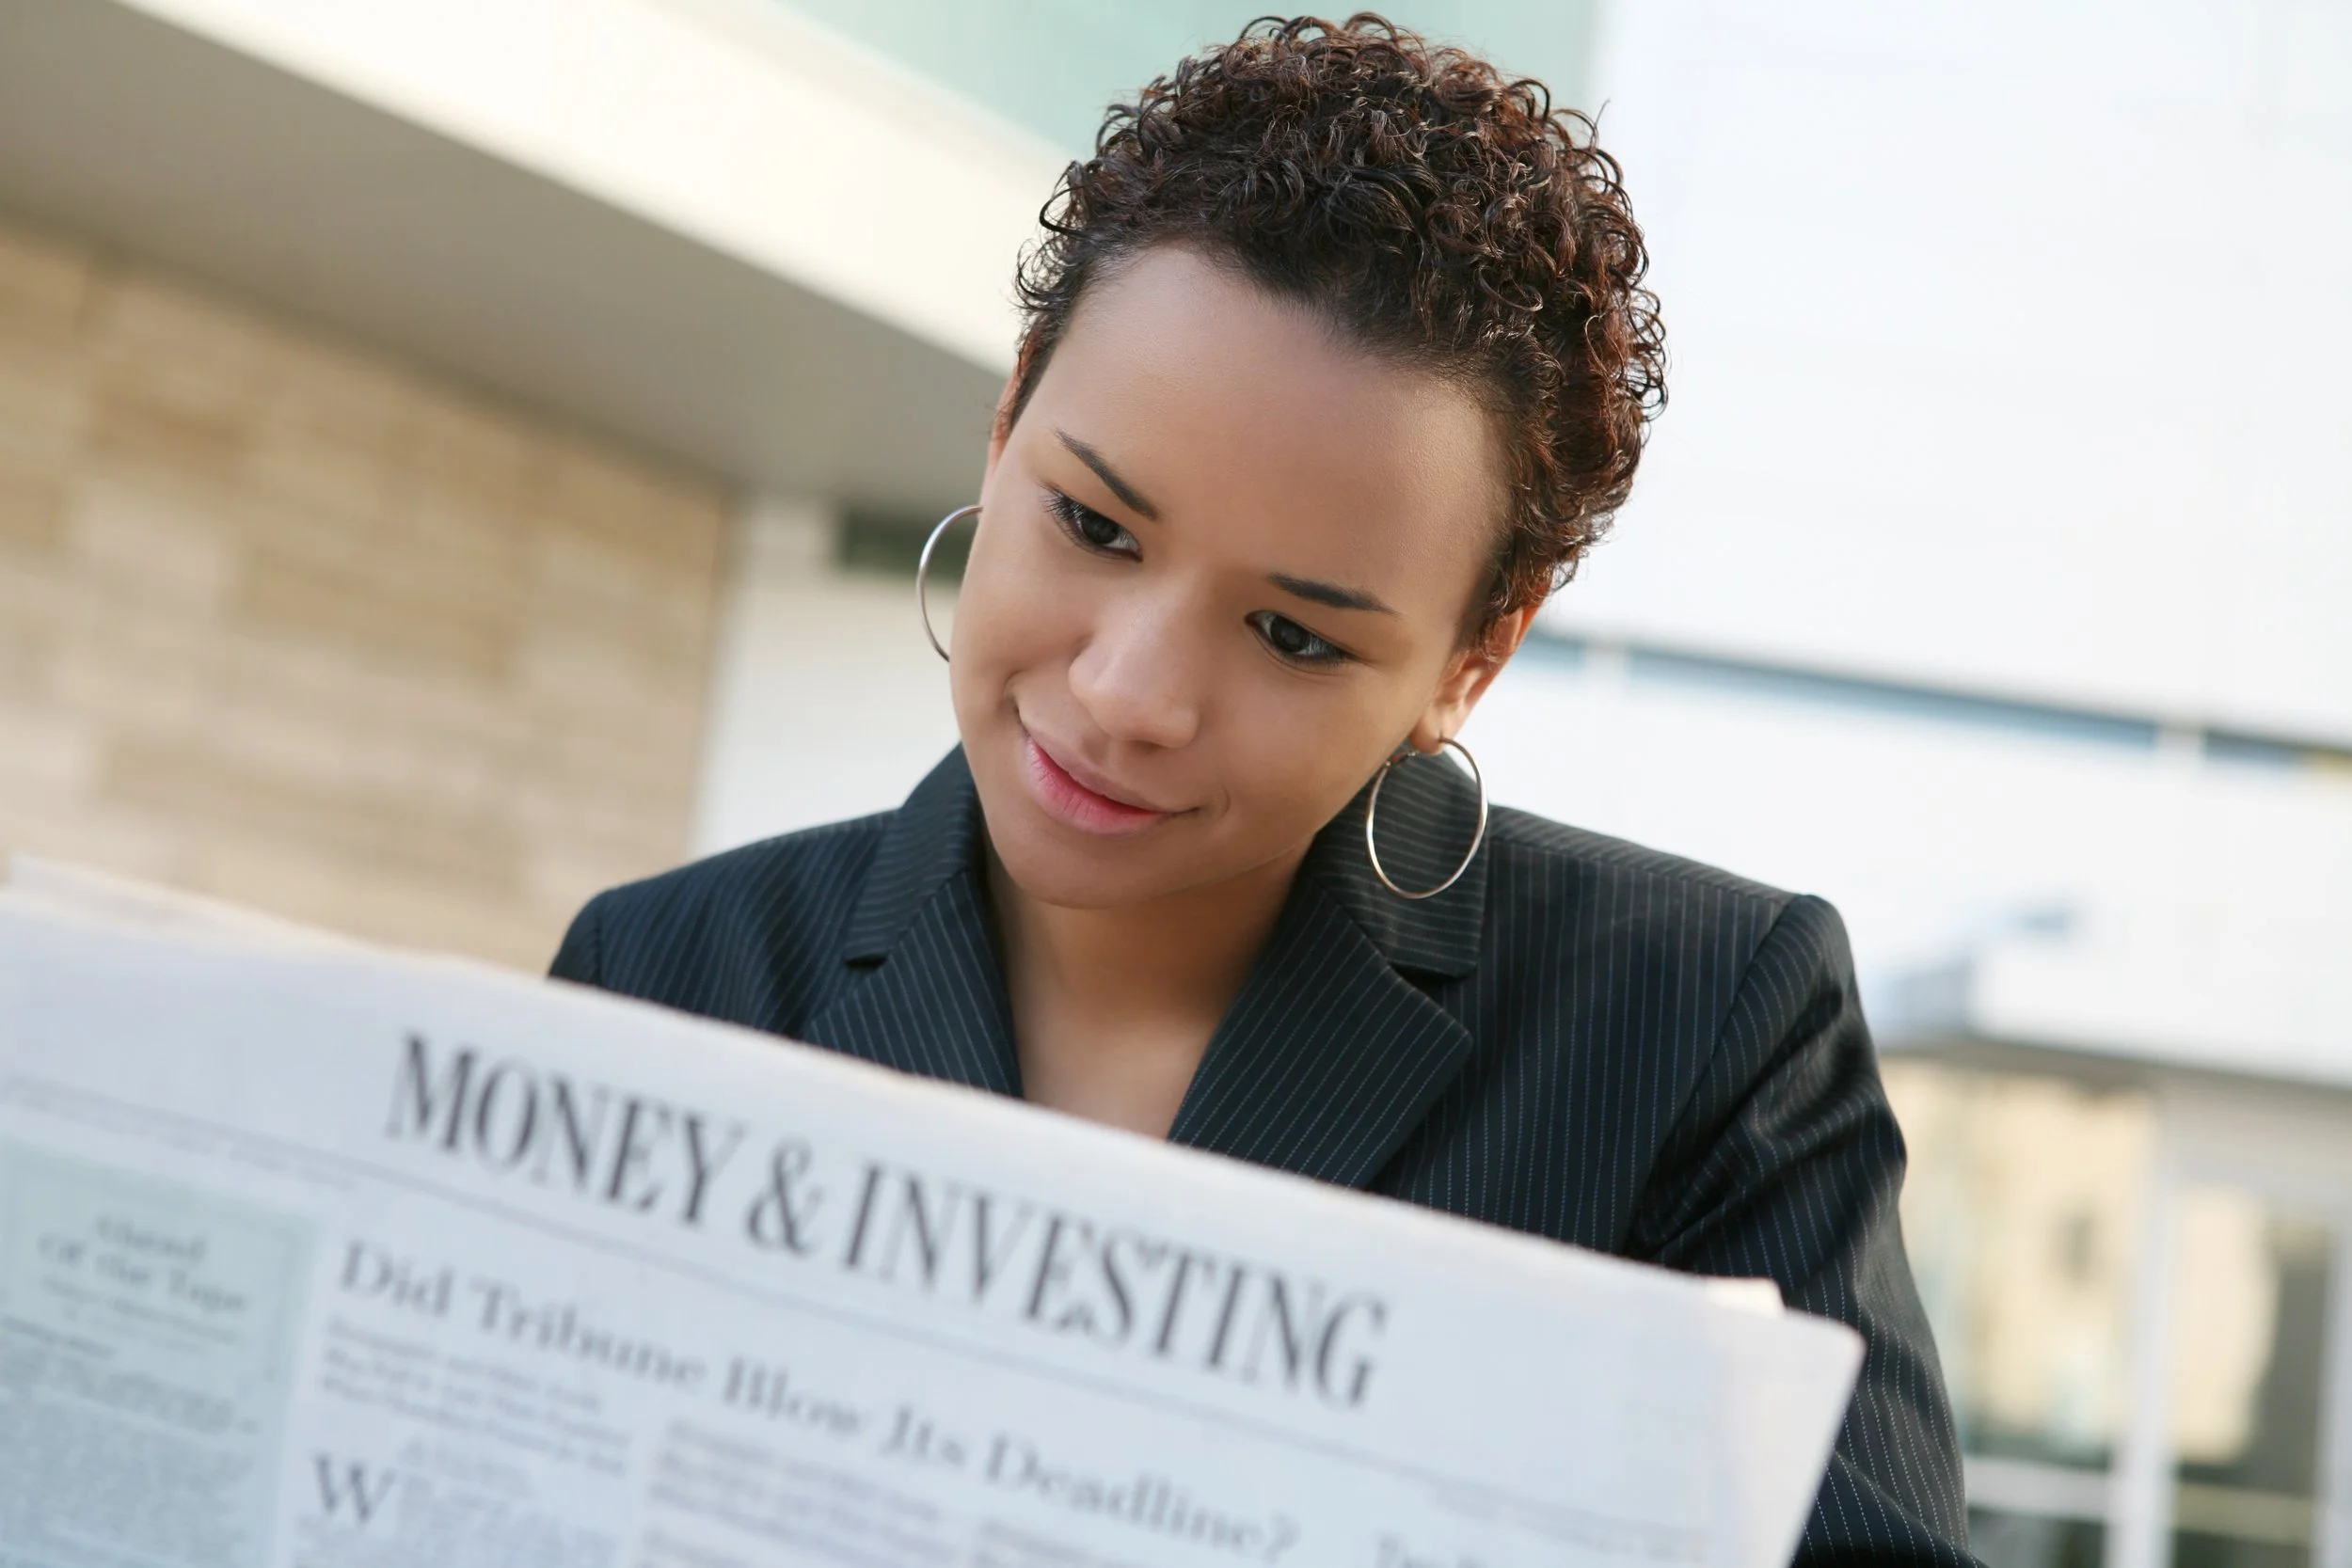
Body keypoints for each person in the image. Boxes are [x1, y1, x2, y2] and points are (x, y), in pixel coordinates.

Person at [552, 15, 1972, 1562]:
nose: (1128, 694)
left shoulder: (1696, 1037)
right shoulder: (665, 984)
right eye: (1095, 525)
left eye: (1294, 634)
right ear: (1010, 419)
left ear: (1471, 658)